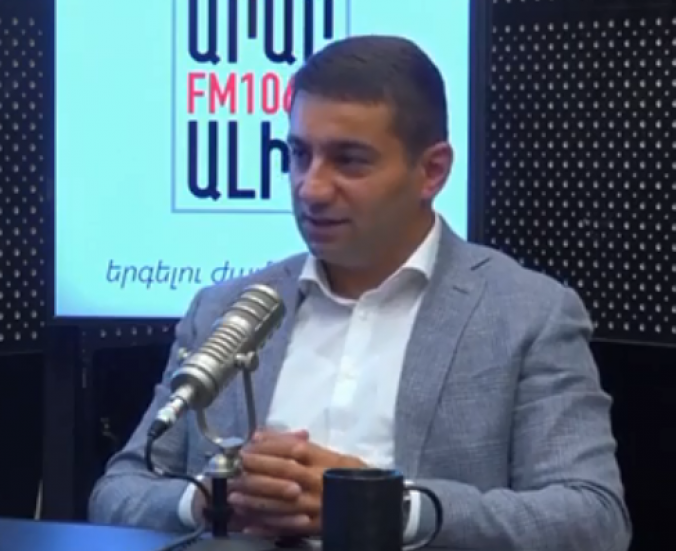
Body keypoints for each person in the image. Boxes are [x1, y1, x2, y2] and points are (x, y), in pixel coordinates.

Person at [89, 35, 631, 550]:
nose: (311, 187)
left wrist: (389, 506)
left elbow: (593, 520)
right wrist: (213, 499)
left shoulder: (526, 314)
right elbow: (118, 494)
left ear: (432, 171)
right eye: (299, 155)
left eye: (349, 160)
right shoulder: (224, 308)